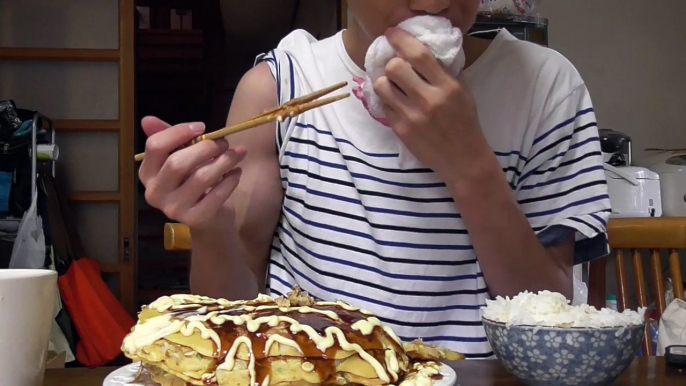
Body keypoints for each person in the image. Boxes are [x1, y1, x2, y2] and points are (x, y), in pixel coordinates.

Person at [138, 0, 611, 358]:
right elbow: (232, 321)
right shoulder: (283, 86)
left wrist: (469, 164)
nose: (434, 1)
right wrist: (210, 226)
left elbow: (547, 321)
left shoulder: (544, 86)